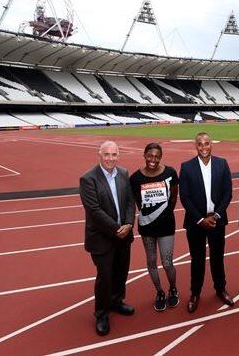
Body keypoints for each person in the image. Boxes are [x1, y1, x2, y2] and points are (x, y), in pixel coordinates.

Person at [79, 140, 136, 336]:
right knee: (105, 277)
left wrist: (128, 224)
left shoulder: (124, 173)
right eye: (107, 154)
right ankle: (101, 314)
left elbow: (130, 202)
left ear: (118, 155)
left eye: (114, 154)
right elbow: (94, 211)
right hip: (102, 237)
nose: (110, 158)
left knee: (121, 271)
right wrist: (117, 228)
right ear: (99, 155)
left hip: (123, 234)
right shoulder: (88, 179)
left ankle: (116, 301)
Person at [179, 132, 234, 313]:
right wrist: (200, 219)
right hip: (196, 222)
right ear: (196, 146)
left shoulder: (222, 163)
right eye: (200, 144)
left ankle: (221, 289)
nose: (204, 147)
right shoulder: (186, 167)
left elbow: (228, 193)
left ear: (211, 144)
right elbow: (185, 197)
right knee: (197, 259)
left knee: (218, 257)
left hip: (217, 220)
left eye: (207, 143)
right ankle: (195, 293)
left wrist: (216, 215)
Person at [130, 143, 179, 312]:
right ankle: (160, 292)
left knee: (167, 263)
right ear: (144, 155)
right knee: (151, 261)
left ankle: (173, 288)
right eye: (150, 156)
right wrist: (149, 214)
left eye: (157, 156)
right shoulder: (135, 178)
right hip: (147, 226)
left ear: (161, 157)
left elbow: (174, 196)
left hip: (166, 225)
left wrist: (164, 214)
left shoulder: (170, 173)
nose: (153, 159)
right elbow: (137, 201)